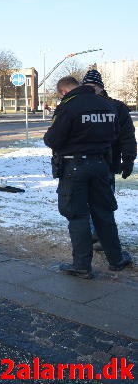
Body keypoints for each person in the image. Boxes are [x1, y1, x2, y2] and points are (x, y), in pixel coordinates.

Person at [43, 76, 132, 279]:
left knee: (77, 215)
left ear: (64, 91)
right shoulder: (107, 105)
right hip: (102, 165)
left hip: (75, 168)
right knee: (104, 213)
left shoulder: (69, 106)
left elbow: (53, 139)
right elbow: (116, 135)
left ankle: (82, 266)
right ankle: (117, 259)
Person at [81, 69, 137, 250]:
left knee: (104, 203)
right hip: (81, 164)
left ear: (100, 87)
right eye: (86, 86)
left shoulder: (117, 107)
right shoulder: (79, 105)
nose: (90, 90)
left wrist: (128, 159)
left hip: (107, 164)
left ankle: (104, 236)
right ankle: (92, 235)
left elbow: (127, 136)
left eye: (93, 86)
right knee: (85, 202)